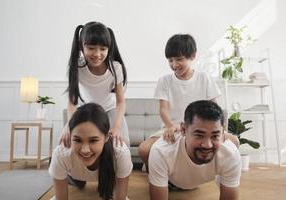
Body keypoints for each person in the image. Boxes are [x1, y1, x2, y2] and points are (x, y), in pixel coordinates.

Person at [138, 34, 239, 168]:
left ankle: (209, 173)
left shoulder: (204, 78)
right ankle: (162, 177)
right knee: (144, 150)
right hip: (172, 128)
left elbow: (214, 107)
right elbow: (163, 109)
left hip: (202, 129)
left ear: (193, 56)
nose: (174, 65)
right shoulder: (164, 81)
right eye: (170, 60)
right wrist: (169, 126)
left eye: (179, 59)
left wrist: (219, 129)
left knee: (235, 142)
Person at [149, 100, 241, 200]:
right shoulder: (161, 152)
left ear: (223, 133)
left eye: (215, 136)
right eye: (199, 135)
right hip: (170, 179)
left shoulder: (230, 154)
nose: (207, 145)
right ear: (183, 130)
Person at [60, 21, 129, 147]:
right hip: (86, 111)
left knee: (122, 145)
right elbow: (72, 102)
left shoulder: (115, 67)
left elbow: (120, 102)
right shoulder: (77, 66)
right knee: (67, 142)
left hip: (109, 109)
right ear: (81, 46)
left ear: (109, 48)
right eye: (91, 48)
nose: (97, 54)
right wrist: (68, 126)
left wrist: (117, 127)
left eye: (103, 49)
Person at [49, 103, 133, 200]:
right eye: (77, 140)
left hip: (108, 173)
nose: (85, 150)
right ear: (70, 135)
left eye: (93, 140)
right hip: (73, 175)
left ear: (106, 137)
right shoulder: (61, 154)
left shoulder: (120, 153)